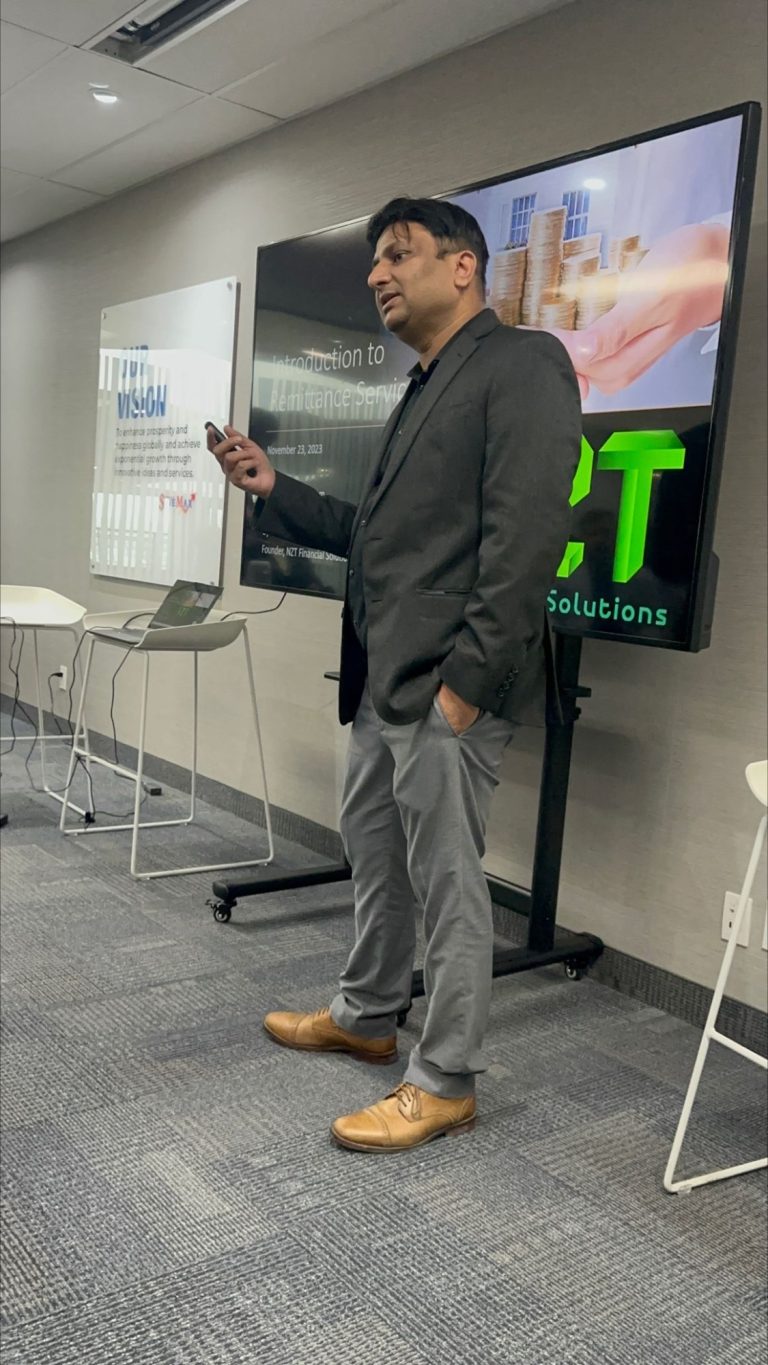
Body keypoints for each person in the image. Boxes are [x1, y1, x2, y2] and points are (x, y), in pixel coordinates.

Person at [209, 197, 581, 1154]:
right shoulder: (422, 385)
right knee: (374, 851)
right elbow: (373, 539)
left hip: (450, 687)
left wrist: (465, 688)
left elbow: (527, 543)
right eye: (374, 259)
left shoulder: (524, 363)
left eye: (398, 254)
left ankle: (446, 1078)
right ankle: (368, 1013)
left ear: (463, 266)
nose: (378, 273)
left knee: (448, 882)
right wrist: (273, 487)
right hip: (386, 680)